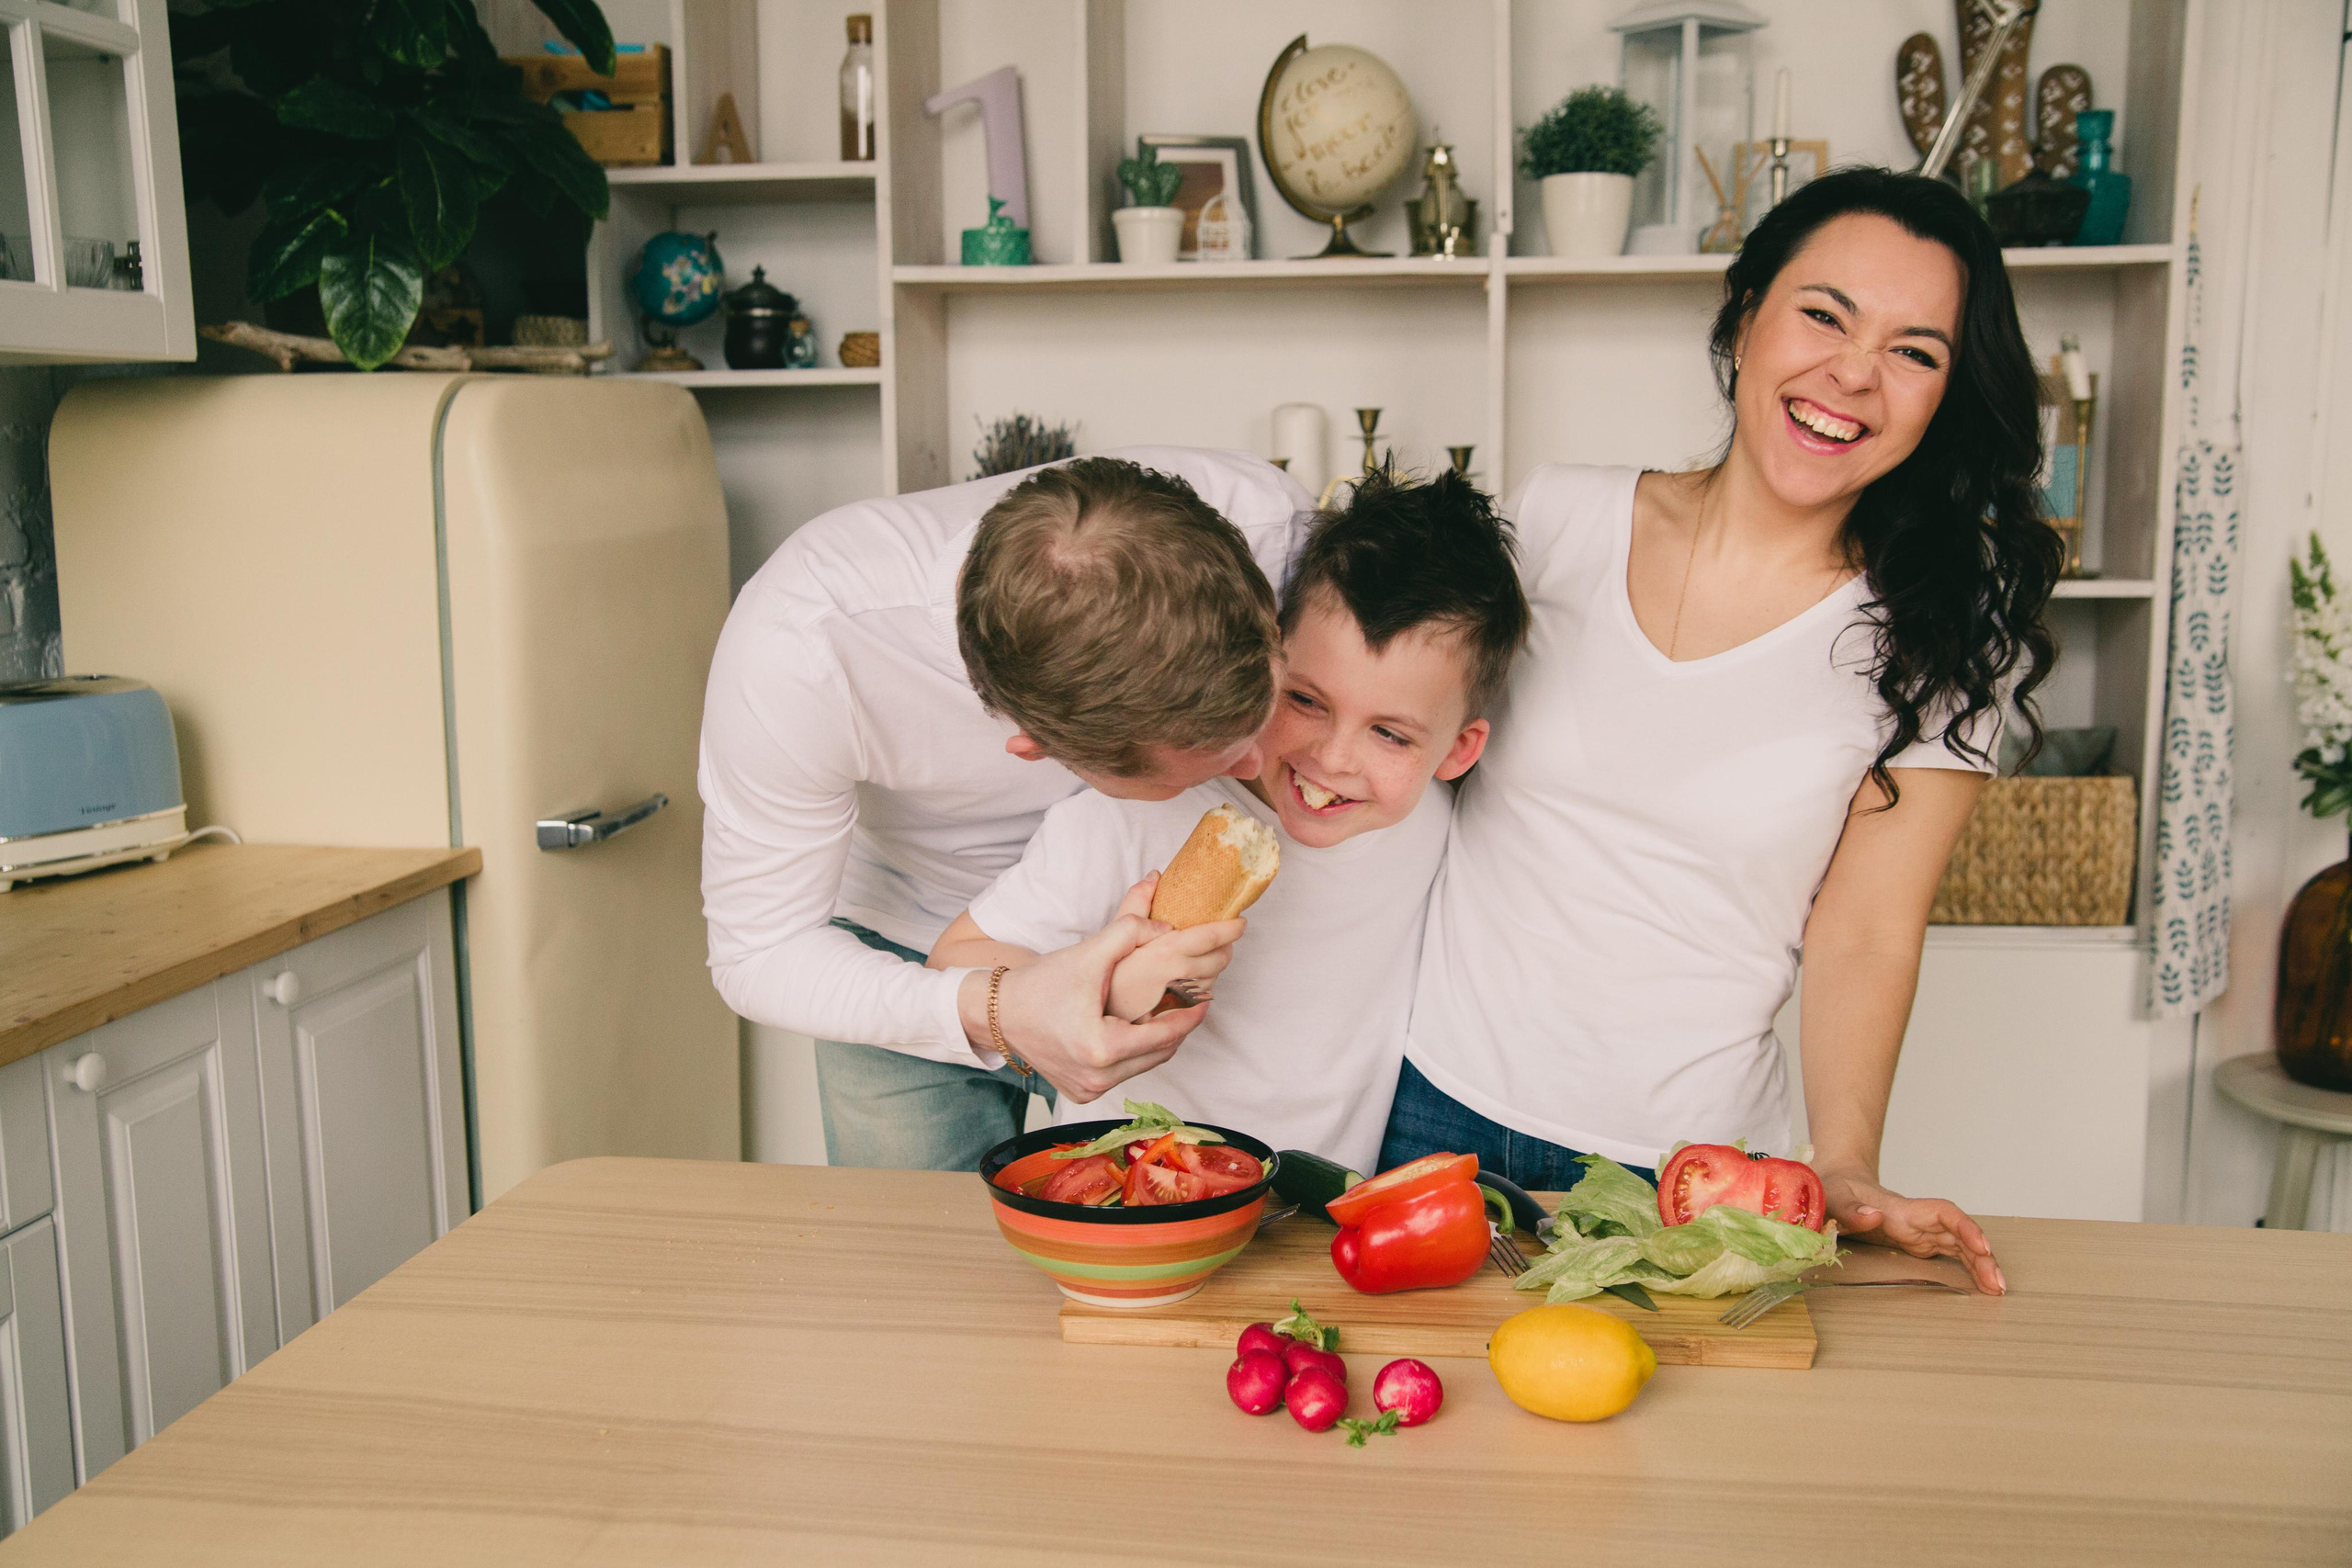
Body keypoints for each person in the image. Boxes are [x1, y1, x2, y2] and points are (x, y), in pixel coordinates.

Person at [1385, 168, 2061, 1294]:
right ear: (1746, 314)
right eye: (1824, 314)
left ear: (1945, 397)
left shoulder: (1943, 645)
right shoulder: (1555, 519)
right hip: (1428, 1117)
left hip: (1693, 1179)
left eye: (1914, 351)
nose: (1851, 374)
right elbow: (1393, 750)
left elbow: (1866, 930)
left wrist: (1845, 1167)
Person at [701, 450, 1314, 1170]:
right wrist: (995, 1006)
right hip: (904, 949)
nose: (1260, 766)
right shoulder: (801, 653)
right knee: (921, 1259)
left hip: (1154, 924)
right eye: (1217, 756)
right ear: (1032, 749)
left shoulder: (1274, 530)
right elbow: (759, 955)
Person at [926, 468, 1530, 1174]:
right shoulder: (1140, 812)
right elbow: (954, 958)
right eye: (1305, 700)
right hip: (1132, 1203)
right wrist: (1107, 983)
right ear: (1265, 656)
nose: (1332, 758)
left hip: (1316, 1213)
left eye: (1390, 735)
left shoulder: (1437, 823)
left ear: (1457, 751)